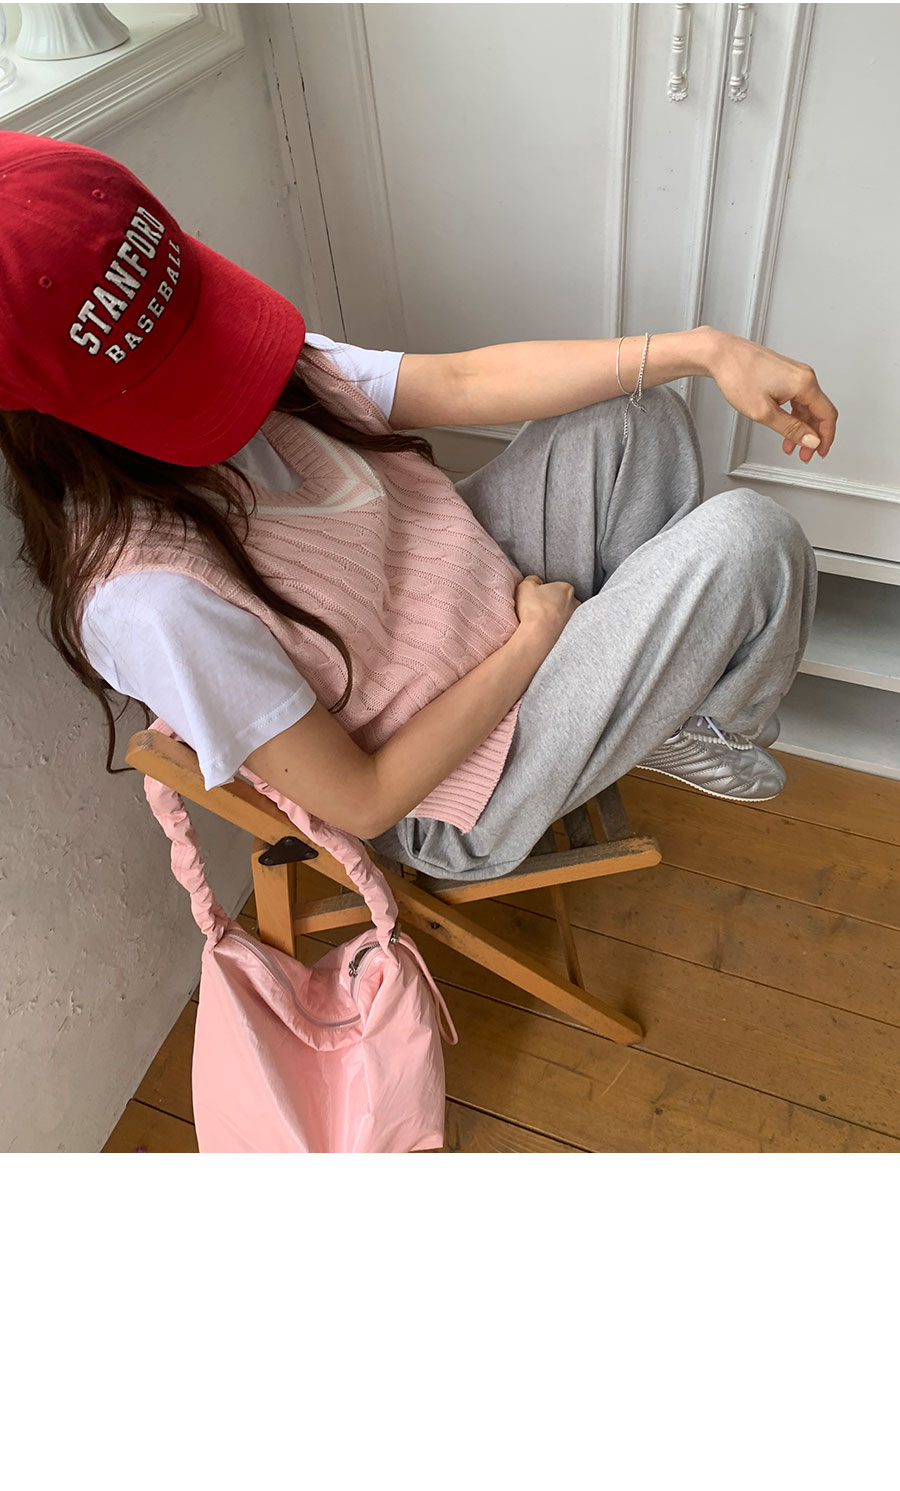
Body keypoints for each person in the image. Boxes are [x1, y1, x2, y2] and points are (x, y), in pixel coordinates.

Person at [0, 131, 837, 886]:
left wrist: (705, 350)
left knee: (637, 413)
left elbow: (464, 380)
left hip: (468, 600)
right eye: (179, 371)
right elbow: (365, 801)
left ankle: (666, 710)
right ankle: (676, 706)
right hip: (450, 791)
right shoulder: (148, 598)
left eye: (199, 327)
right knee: (751, 537)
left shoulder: (256, 362)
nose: (223, 368)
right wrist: (534, 641)